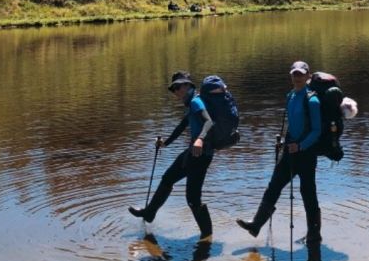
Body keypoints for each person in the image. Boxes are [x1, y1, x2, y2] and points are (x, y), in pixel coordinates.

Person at [236, 60, 323, 243]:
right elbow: (293, 125)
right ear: (291, 75)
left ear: (308, 76)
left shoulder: (312, 100)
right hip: (290, 151)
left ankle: (314, 235)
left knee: (308, 193)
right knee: (274, 186)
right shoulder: (290, 96)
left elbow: (317, 131)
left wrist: (300, 146)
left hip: (306, 154)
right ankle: (256, 225)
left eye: (301, 74)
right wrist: (285, 142)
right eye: (294, 74)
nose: (297, 77)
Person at [129, 71, 215, 239]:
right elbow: (182, 125)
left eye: (178, 87)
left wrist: (200, 139)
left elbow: (209, 122)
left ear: (188, 86)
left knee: (192, 198)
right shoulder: (192, 104)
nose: (175, 92)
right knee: (168, 178)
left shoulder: (196, 102)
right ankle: (149, 213)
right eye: (173, 89)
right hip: (193, 153)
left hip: (201, 154)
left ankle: (207, 237)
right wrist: (165, 143)